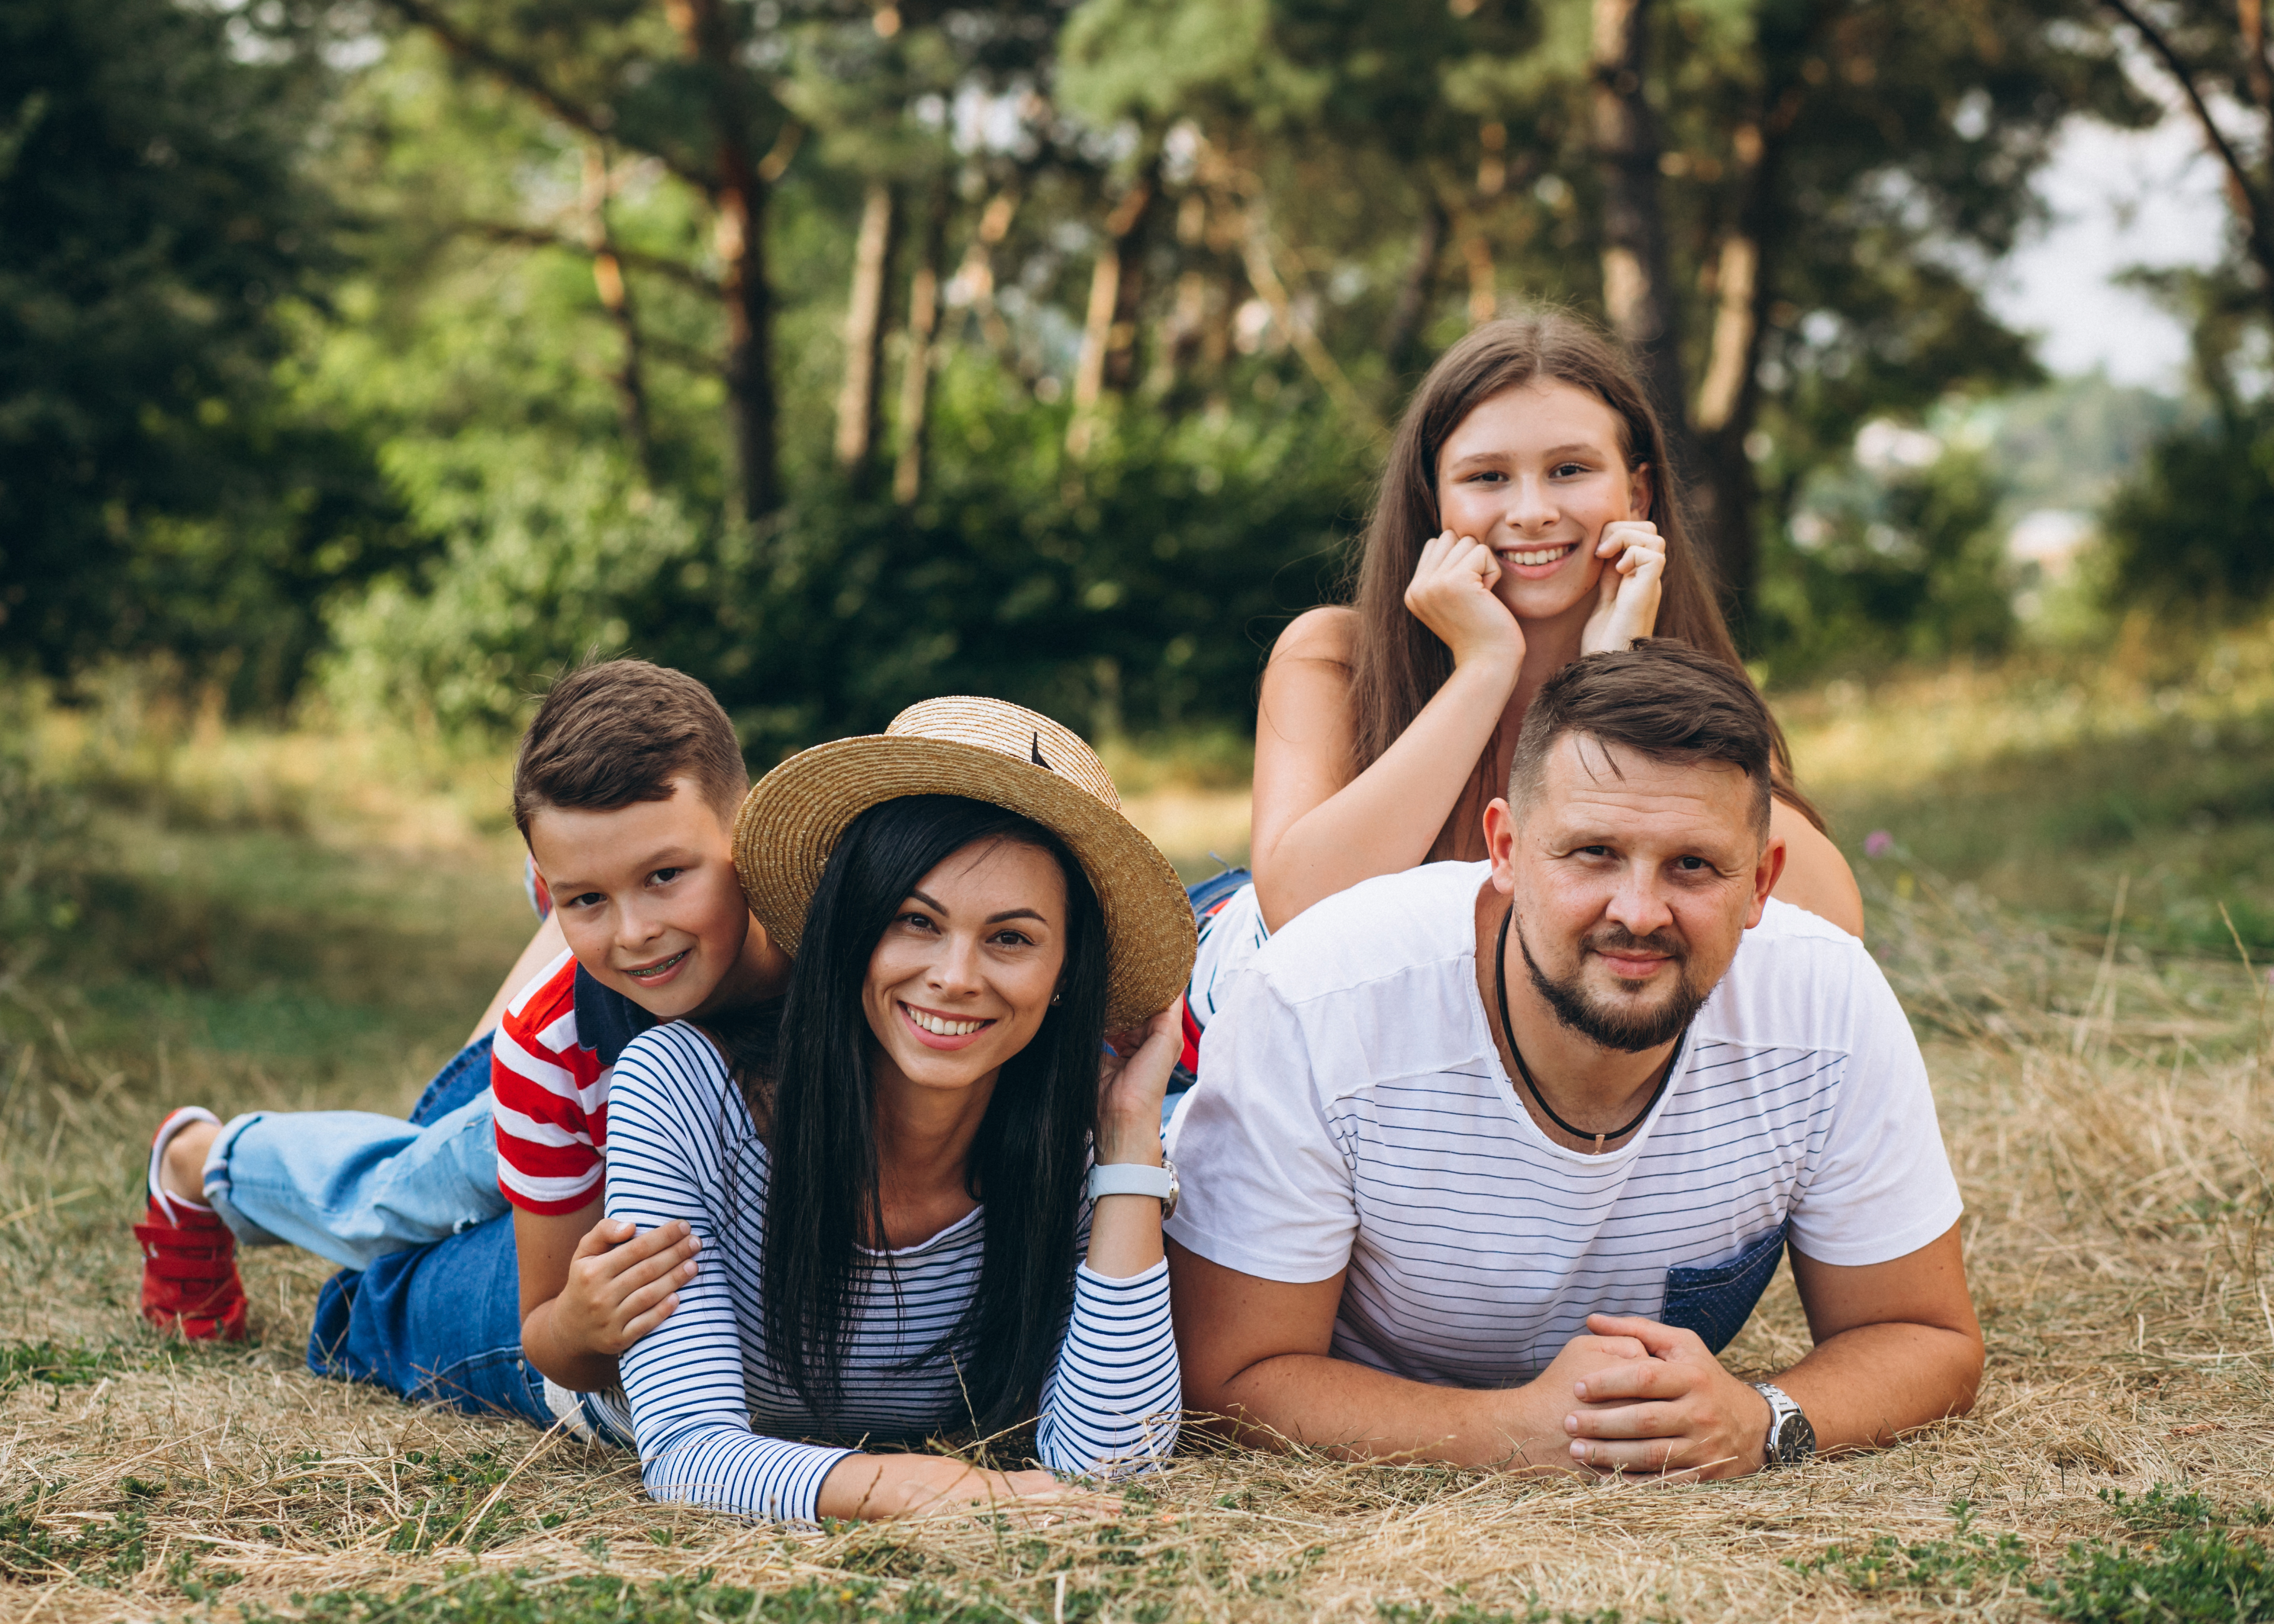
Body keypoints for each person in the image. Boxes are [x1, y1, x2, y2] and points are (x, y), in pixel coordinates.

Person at [1166, 640, 1982, 1479]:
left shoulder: (1827, 998)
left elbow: (1927, 1336)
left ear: (1762, 883)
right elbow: (1228, 1376)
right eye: (1593, 852)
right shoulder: (1319, 998)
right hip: (1197, 1021)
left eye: (1693, 866)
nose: (1639, 912)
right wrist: (1513, 1433)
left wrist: (1761, 1420)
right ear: (1507, 849)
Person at [1176, 313, 1858, 1090]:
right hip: (1259, 1036)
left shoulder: (1683, 680)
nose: (1531, 510)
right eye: (1487, 477)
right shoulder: (1332, 653)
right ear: (1434, 499)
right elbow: (1302, 912)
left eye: (1570, 470)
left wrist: (1615, 684)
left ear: (1637, 492)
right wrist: (1483, 668)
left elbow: (1831, 927)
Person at [130, 660, 777, 1441]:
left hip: (610, 1068)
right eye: (589, 898)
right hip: (548, 1092)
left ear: (749, 834)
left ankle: (560, 916)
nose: (634, 930)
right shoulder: (550, 1044)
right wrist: (579, 1321)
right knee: (395, 1192)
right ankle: (199, 1161)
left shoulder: (821, 938)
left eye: (666, 875)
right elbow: (545, 1320)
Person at [600, 698, 1195, 1520]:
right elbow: (687, 1452)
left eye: (1011, 938)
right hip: (547, 1316)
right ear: (853, 931)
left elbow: (1115, 1464)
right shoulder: (680, 1090)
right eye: (916, 921)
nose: (955, 976)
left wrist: (1132, 1135)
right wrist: (947, 1490)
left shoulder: (1074, 1150)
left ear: (1065, 976)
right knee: (388, 1246)